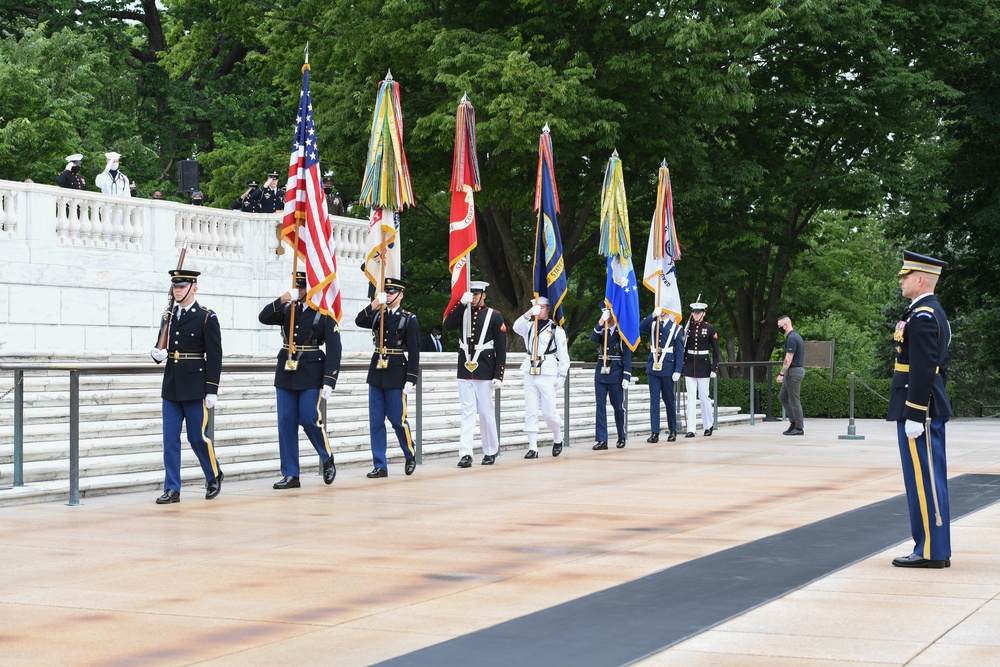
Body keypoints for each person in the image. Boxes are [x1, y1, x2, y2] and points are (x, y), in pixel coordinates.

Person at [888, 250, 953, 568]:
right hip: (921, 408)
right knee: (926, 479)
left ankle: (930, 551)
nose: (901, 281)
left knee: (924, 479)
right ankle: (934, 547)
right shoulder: (924, 311)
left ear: (920, 279)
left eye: (905, 276)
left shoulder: (925, 314)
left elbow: (925, 368)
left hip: (920, 411)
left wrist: (914, 412)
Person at [258, 271, 341, 489]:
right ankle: (291, 474)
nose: (301, 291)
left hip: (311, 372)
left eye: (304, 287)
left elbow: (334, 350)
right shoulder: (288, 309)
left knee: (309, 418)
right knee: (285, 423)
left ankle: (327, 457)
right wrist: (284, 298)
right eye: (298, 287)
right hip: (286, 371)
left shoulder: (323, 314)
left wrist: (329, 380)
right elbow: (264, 317)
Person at [149, 269, 223, 504]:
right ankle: (172, 488)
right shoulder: (168, 316)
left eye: (182, 286)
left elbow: (214, 356)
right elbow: (162, 344)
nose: (177, 290)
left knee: (197, 437)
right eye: (175, 286)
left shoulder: (206, 317)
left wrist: (212, 389)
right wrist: (158, 354)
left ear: (194, 288)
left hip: (195, 384)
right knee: (170, 439)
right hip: (171, 384)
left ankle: (213, 474)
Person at [355, 277, 420, 478]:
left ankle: (410, 454)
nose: (388, 295)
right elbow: (359, 320)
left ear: (401, 295)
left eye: (391, 293)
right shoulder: (377, 314)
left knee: (397, 420)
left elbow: (415, 351)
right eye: (386, 292)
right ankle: (380, 465)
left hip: (396, 373)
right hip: (377, 373)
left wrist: (411, 378)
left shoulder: (408, 318)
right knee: (375, 421)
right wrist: (375, 303)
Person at [443, 281, 507, 467]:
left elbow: (501, 348)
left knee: (486, 413)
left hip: (485, 369)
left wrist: (498, 374)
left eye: (476, 294)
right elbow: (447, 325)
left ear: (483, 295)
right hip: (465, 368)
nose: (473, 297)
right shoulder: (463, 311)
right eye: (471, 294)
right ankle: (466, 453)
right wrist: (461, 304)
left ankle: (490, 451)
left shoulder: (494, 316)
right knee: (467, 413)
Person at [513, 296, 570, 458]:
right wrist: (529, 313)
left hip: (548, 372)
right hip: (530, 370)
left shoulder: (556, 330)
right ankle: (532, 447)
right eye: (537, 307)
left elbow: (564, 357)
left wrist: (562, 377)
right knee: (530, 410)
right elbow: (516, 327)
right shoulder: (529, 326)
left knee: (549, 413)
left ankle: (557, 436)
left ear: (548, 309)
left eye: (542, 307)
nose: (540, 310)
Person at [640, 306, 685, 442]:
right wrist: (653, 314)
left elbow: (679, 352)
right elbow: (640, 327)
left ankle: (672, 429)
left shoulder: (676, 328)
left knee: (668, 400)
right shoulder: (653, 324)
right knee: (654, 401)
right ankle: (655, 432)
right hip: (653, 367)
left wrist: (678, 370)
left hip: (667, 367)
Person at [589, 308, 632, 450]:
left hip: (616, 372)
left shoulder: (621, 332)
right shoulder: (602, 330)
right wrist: (600, 321)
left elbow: (627, 355)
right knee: (600, 406)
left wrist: (627, 374)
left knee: (618, 407)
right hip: (601, 372)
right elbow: (593, 339)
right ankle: (602, 440)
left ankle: (621, 435)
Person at [682, 298, 721, 437]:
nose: (696, 314)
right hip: (689, 365)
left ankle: (708, 425)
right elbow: (683, 348)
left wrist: (713, 368)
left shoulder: (709, 328)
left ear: (703, 313)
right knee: (690, 398)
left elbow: (716, 351)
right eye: (694, 312)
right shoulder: (688, 328)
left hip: (704, 365)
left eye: (699, 312)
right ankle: (691, 429)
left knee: (704, 397)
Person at [776, 315, 805, 435]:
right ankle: (793, 423)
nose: (779, 328)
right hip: (792, 372)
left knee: (794, 400)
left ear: (786, 325)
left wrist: (781, 374)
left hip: (793, 372)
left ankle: (799, 427)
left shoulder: (792, 338)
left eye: (779, 326)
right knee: (783, 397)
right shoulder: (795, 336)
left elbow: (789, 357)